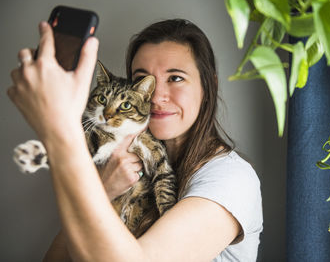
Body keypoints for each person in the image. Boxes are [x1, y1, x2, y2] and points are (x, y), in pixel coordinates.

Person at [9, 18, 263, 261]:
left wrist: (58, 132)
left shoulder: (231, 179)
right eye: (141, 80)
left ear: (208, 87)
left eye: (175, 78)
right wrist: (105, 189)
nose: (155, 96)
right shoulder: (121, 159)